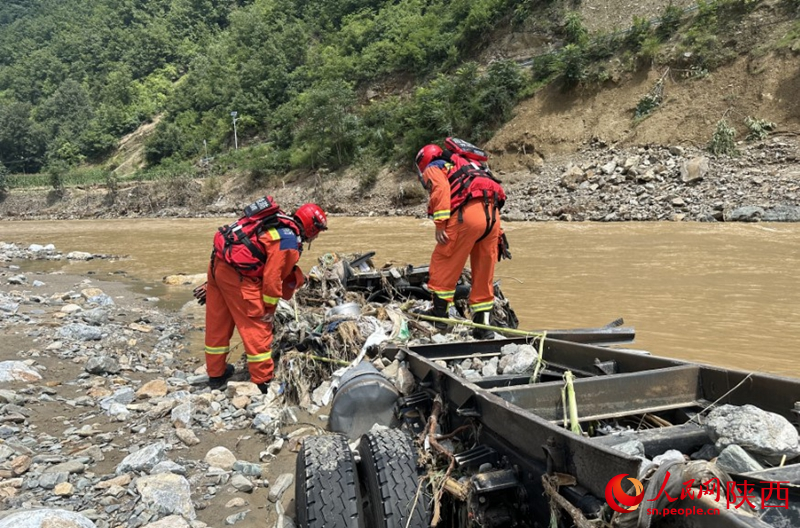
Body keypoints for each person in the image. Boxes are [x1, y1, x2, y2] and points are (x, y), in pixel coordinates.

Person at [202, 203, 328, 393]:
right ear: (311, 227)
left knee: (218, 323)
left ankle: (216, 374)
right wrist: (269, 309)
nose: (316, 237)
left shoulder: (275, 222)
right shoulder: (288, 240)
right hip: (239, 277)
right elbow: (272, 279)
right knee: (257, 327)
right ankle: (262, 381)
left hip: (218, 265)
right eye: (317, 232)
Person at [414, 142, 507, 340]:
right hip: (493, 217)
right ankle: (483, 327)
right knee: (484, 272)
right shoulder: (471, 164)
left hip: (468, 215)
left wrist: (440, 224)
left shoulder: (434, 166)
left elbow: (440, 190)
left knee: (443, 261)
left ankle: (440, 318)